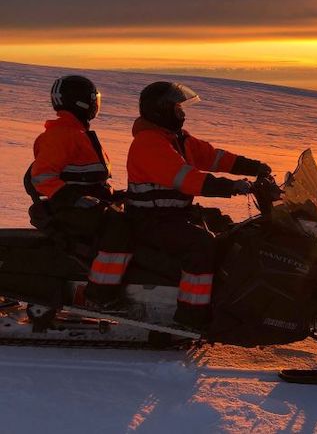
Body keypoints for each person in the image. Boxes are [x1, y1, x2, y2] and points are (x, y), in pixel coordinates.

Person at [126, 81, 272, 330]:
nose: (182, 114)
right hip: (149, 220)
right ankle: (192, 315)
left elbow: (211, 156)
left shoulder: (176, 138)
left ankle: (224, 297)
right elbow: (186, 179)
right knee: (201, 244)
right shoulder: (149, 143)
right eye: (177, 108)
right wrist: (232, 187)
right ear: (161, 110)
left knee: (229, 230)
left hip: (172, 215)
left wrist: (253, 166)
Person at [26, 75, 132, 308]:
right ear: (81, 101)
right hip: (67, 208)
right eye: (94, 98)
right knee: (119, 227)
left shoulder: (78, 133)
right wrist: (76, 199)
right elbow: (42, 176)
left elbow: (90, 178)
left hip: (85, 204)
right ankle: (101, 294)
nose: (96, 103)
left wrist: (118, 195)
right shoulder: (61, 135)